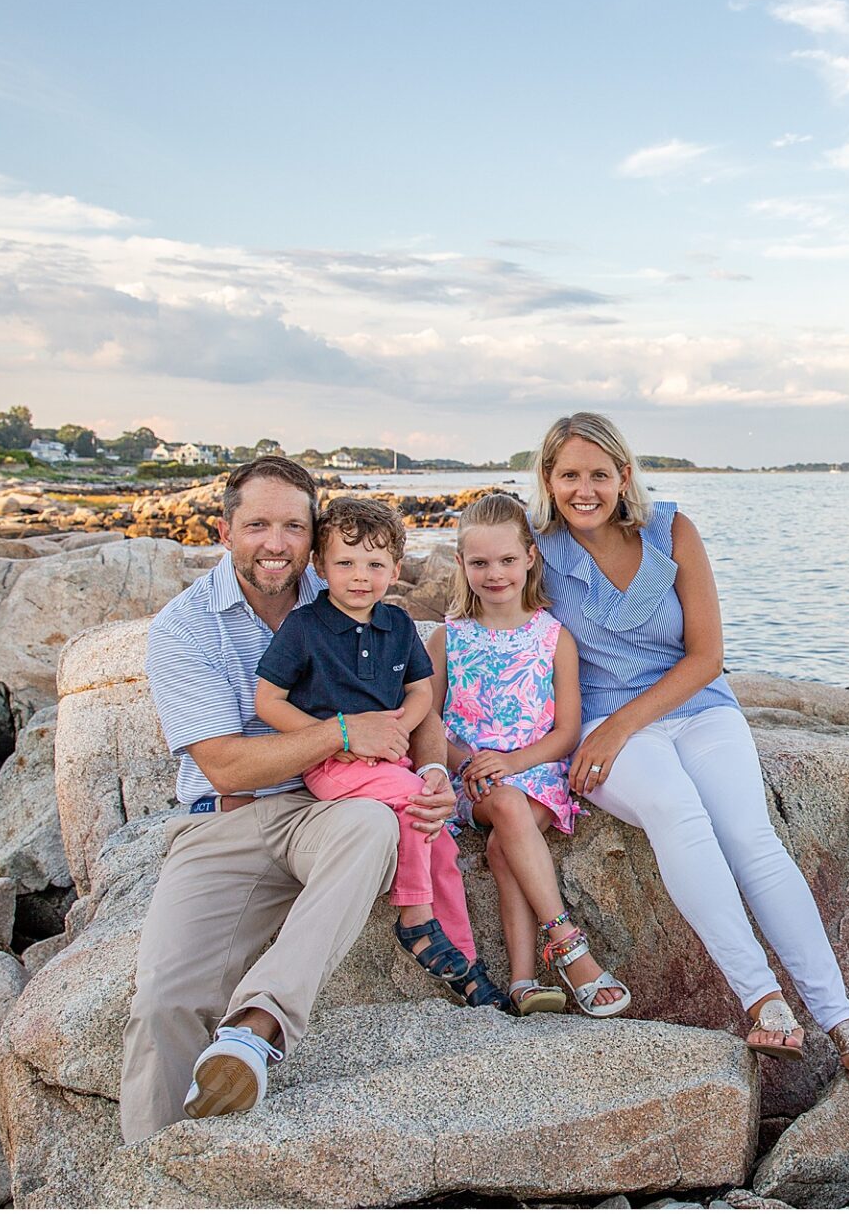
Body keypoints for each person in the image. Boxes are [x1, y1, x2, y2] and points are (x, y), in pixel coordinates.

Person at [528, 412, 849, 1077]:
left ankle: (839, 1017)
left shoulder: (671, 531)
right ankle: (764, 1001)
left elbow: (706, 658)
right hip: (600, 724)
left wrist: (624, 723)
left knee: (750, 836)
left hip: (694, 709)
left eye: (599, 475)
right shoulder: (534, 549)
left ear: (624, 476)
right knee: (677, 811)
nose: (585, 489)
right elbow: (481, 620)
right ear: (548, 480)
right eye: (569, 475)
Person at [119, 455, 462, 1142]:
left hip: (333, 810)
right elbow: (224, 767)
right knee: (163, 1001)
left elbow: (414, 700)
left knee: (371, 824)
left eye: (291, 527)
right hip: (229, 823)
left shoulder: (351, 589)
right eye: (256, 525)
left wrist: (433, 775)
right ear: (224, 531)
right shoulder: (184, 628)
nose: (274, 543)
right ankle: (153, 1173)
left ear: (314, 535)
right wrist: (341, 732)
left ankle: (256, 1030)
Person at [253, 495, 508, 1012]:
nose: (359, 576)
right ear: (320, 566)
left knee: (442, 846)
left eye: (374, 564)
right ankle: (414, 917)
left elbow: (420, 692)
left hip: (389, 763)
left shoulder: (397, 625)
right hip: (333, 767)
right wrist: (336, 735)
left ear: (396, 569)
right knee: (422, 803)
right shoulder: (304, 628)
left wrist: (399, 730)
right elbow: (267, 701)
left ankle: (464, 962)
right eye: (344, 563)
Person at [437, 492, 631, 1018]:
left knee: (506, 843)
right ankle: (567, 944)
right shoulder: (447, 638)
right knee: (503, 805)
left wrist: (514, 763)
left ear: (530, 558)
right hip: (473, 781)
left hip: (539, 773)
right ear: (461, 563)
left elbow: (567, 731)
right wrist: (466, 762)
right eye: (479, 562)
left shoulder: (552, 637)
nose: (494, 573)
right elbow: (429, 723)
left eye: (506, 560)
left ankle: (523, 980)